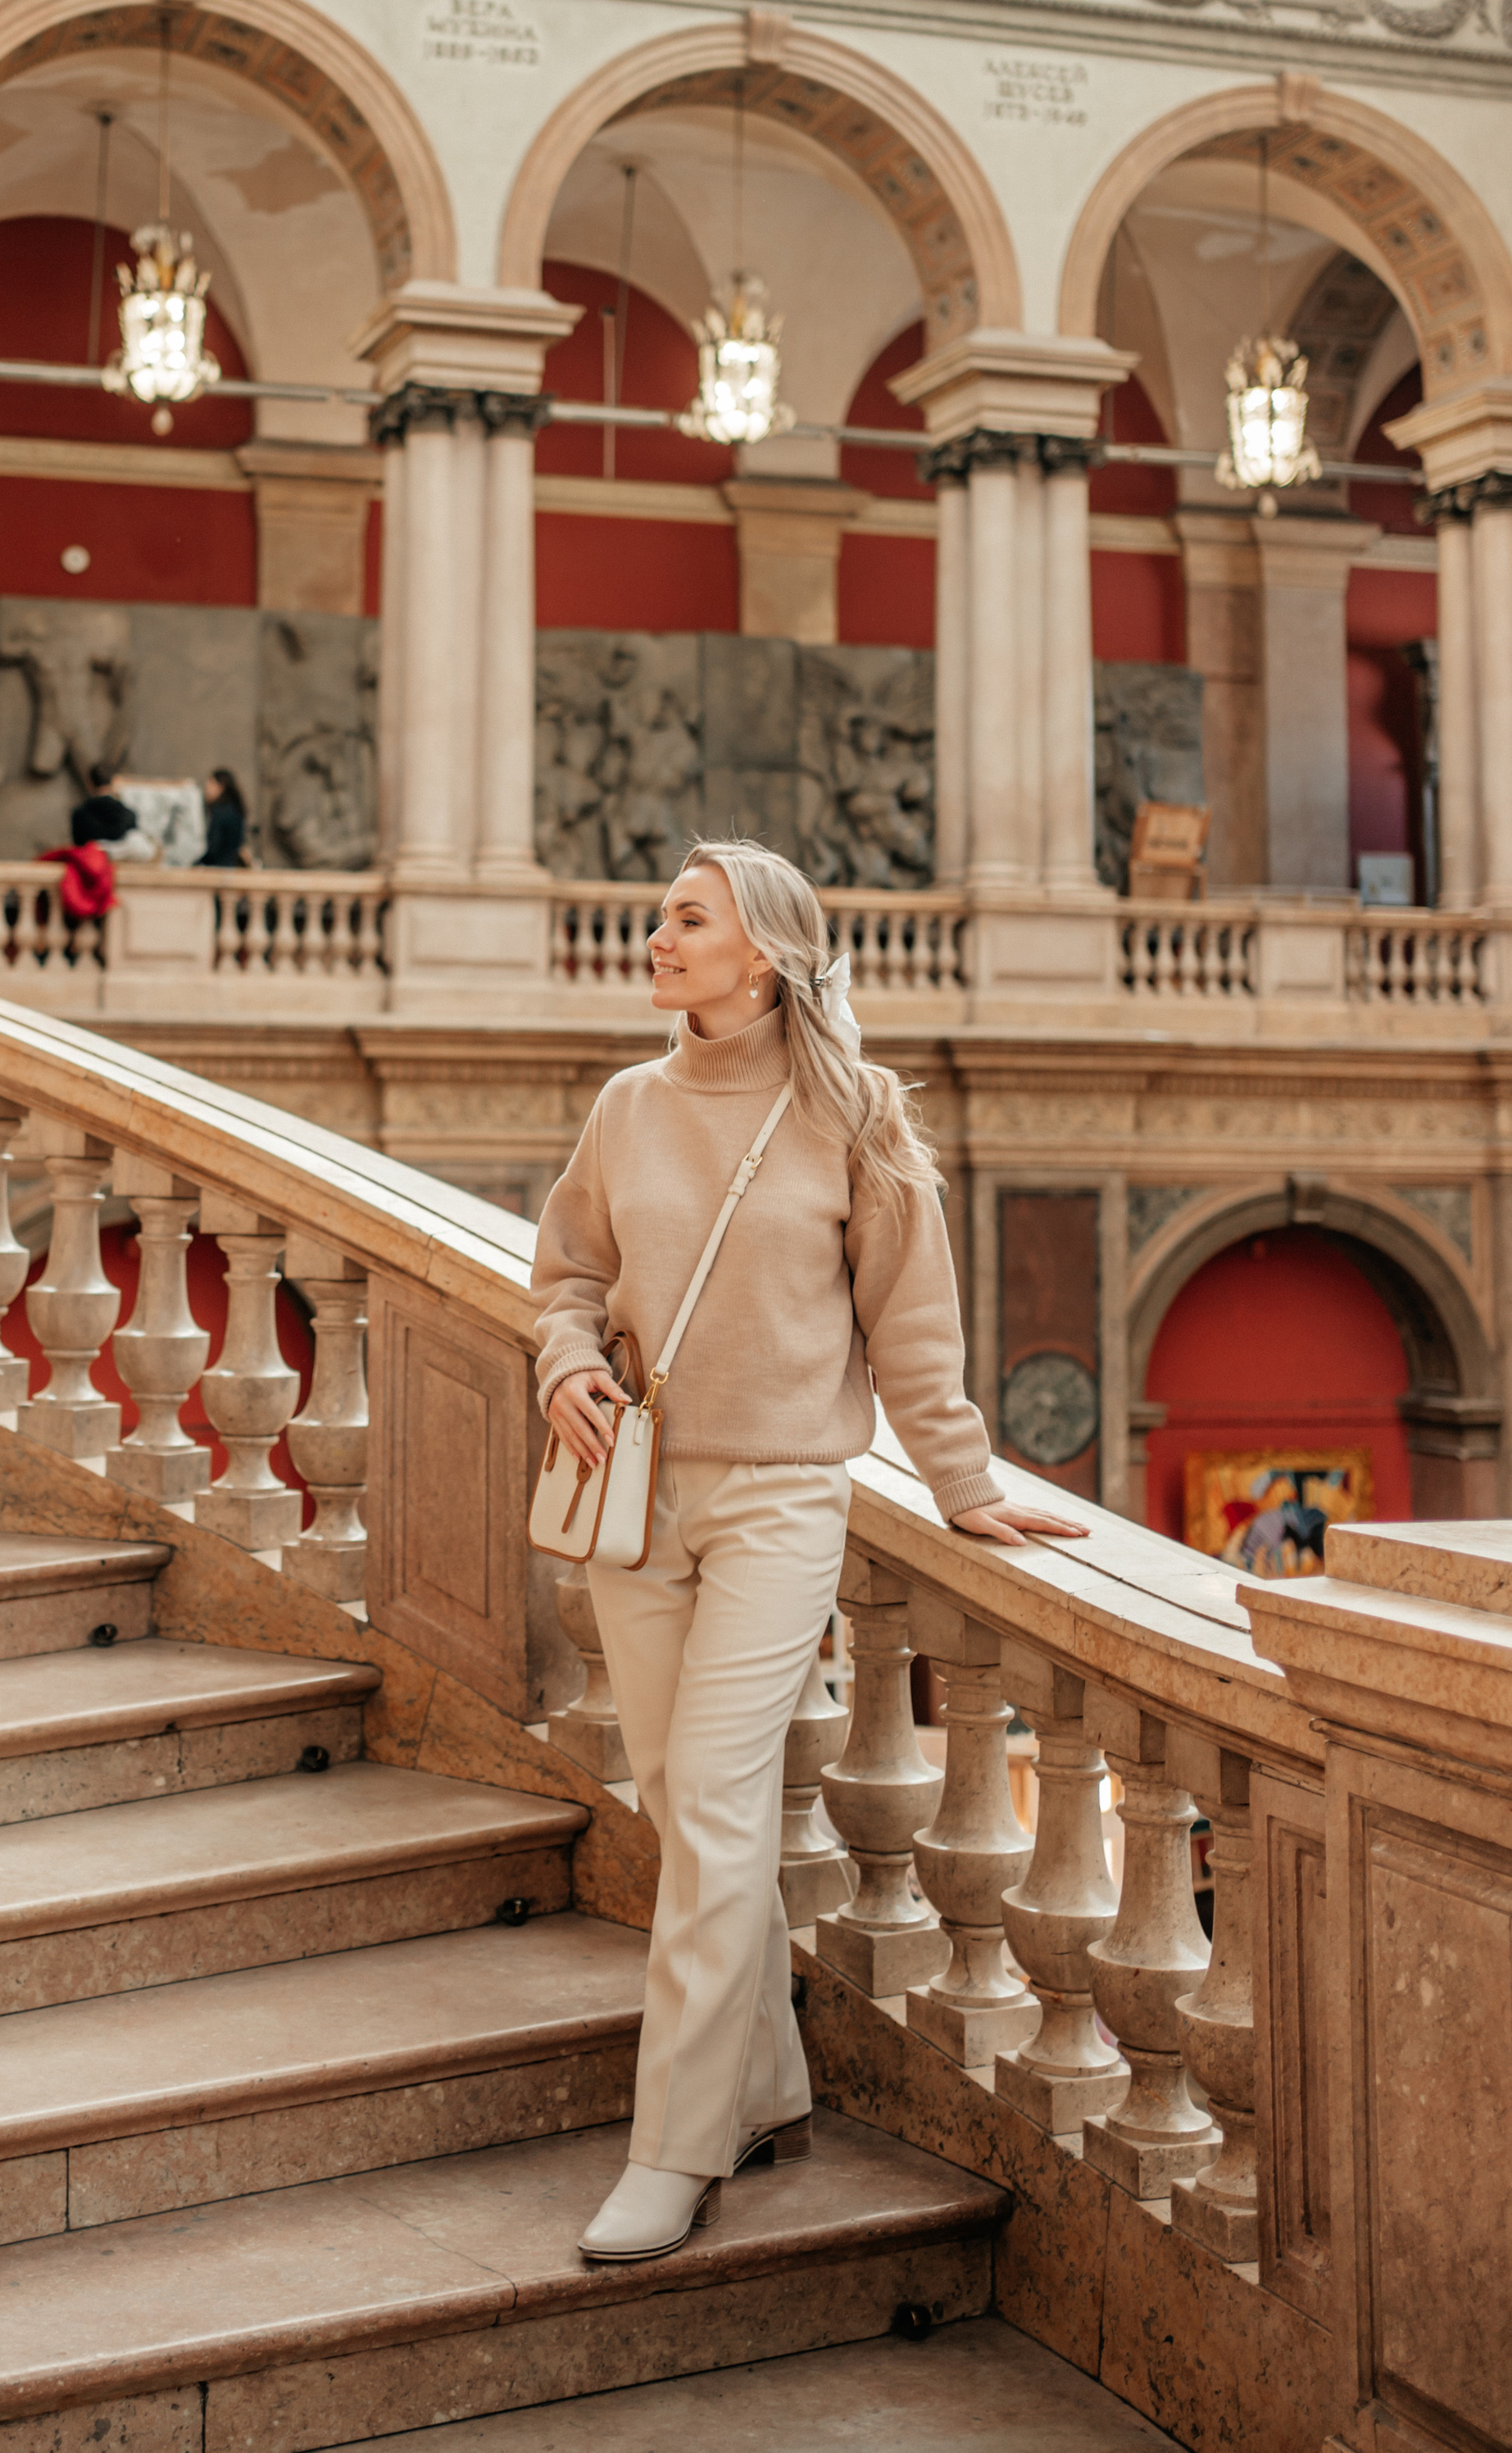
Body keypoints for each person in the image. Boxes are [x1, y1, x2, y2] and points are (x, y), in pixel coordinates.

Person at [533, 837, 1084, 2268]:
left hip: (780, 1503)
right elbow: (568, 1276)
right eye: (659, 914)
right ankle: (769, 2085)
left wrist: (965, 1486)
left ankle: (674, 2151)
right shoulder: (629, 1106)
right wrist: (562, 1365)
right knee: (678, 1801)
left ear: (760, 956)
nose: (656, 936)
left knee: (714, 1804)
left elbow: (914, 1326)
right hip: (634, 1496)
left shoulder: (859, 1114)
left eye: (684, 920)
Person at [70, 762, 138, 852]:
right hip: (120, 864)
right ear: (113, 782)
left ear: (90, 784)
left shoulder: (79, 814)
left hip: (91, 863)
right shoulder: (129, 815)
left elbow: (78, 847)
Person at [201, 765, 249, 868]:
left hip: (218, 868)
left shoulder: (220, 812)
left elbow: (214, 848)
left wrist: (197, 863)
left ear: (221, 786)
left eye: (211, 784)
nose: (207, 789)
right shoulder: (236, 809)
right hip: (231, 866)